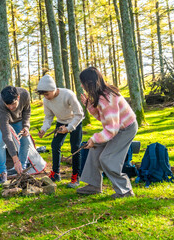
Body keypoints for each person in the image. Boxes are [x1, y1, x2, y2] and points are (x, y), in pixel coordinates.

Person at [76, 67, 137, 199]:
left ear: (89, 83)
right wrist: (90, 105)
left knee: (107, 158)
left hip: (126, 128)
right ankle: (94, 185)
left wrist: (94, 139)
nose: (81, 85)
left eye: (83, 82)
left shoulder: (107, 98)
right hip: (117, 128)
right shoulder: (101, 94)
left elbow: (111, 130)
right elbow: (104, 117)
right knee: (95, 150)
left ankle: (125, 191)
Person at [37, 74, 84, 188]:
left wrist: (68, 128)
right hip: (61, 122)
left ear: (53, 89)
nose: (46, 97)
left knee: (75, 148)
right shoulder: (46, 100)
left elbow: (79, 114)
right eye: (44, 95)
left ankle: (76, 176)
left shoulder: (68, 94)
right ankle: (55, 173)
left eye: (47, 94)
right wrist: (43, 129)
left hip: (75, 121)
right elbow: (48, 117)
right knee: (55, 145)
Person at [0, 86, 31, 183]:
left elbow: (27, 111)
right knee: (1, 142)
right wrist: (15, 160)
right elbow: (7, 137)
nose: (11, 107)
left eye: (13, 104)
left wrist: (25, 126)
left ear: (18, 97)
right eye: (8, 105)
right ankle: (2, 173)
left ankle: (22, 170)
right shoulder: (0, 105)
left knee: (26, 141)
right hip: (0, 119)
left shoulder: (25, 94)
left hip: (18, 119)